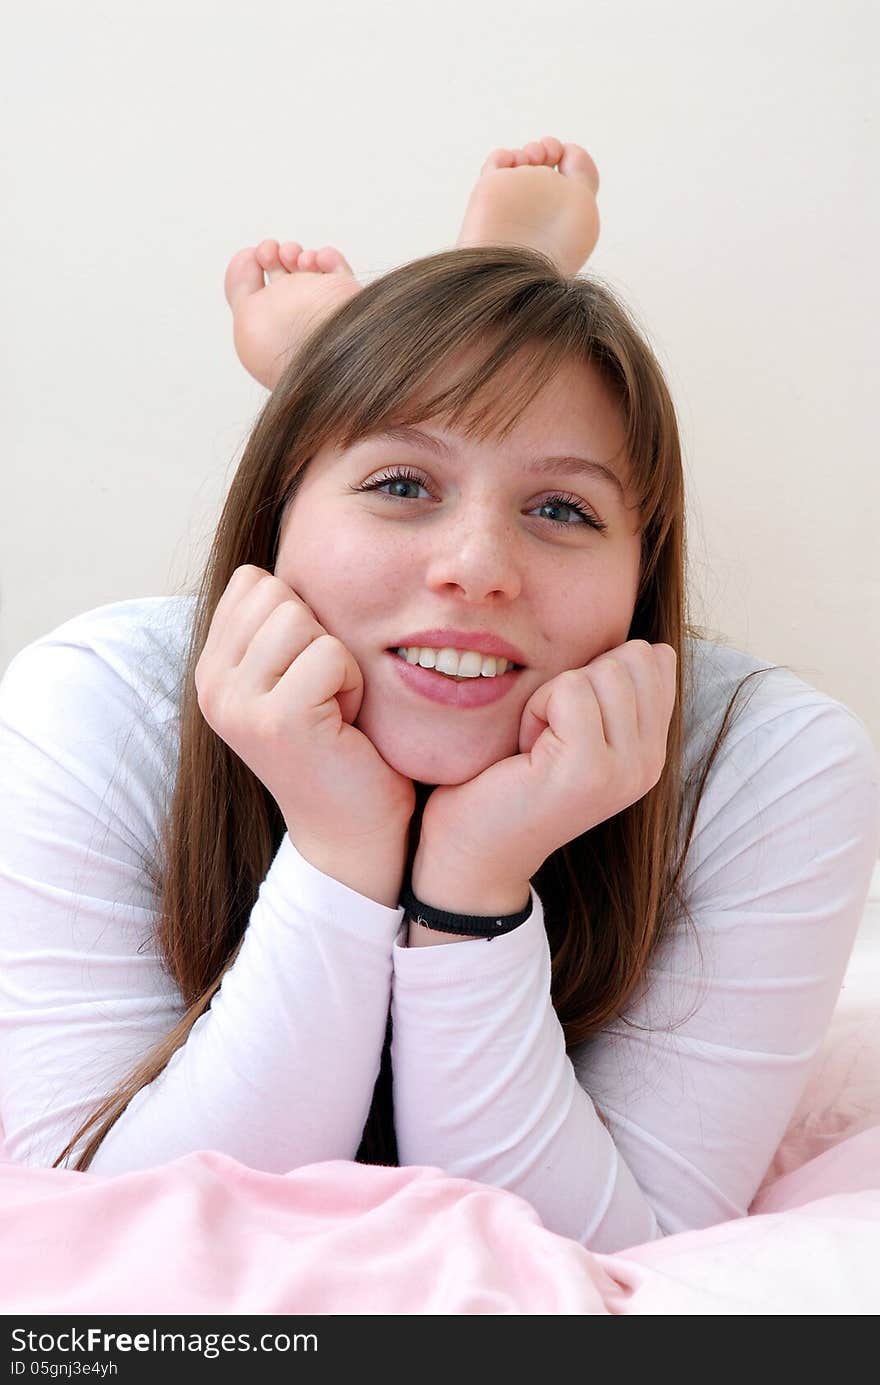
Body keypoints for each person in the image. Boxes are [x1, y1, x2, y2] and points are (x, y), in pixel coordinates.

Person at [0, 137, 877, 1254]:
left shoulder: (768, 759)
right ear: (275, 511)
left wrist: (473, 889)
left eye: (562, 509)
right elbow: (119, 1219)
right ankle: (436, 323)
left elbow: (626, 1241)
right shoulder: (95, 704)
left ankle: (385, 353)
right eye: (400, 482)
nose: (478, 566)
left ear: (641, 575)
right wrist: (336, 845)